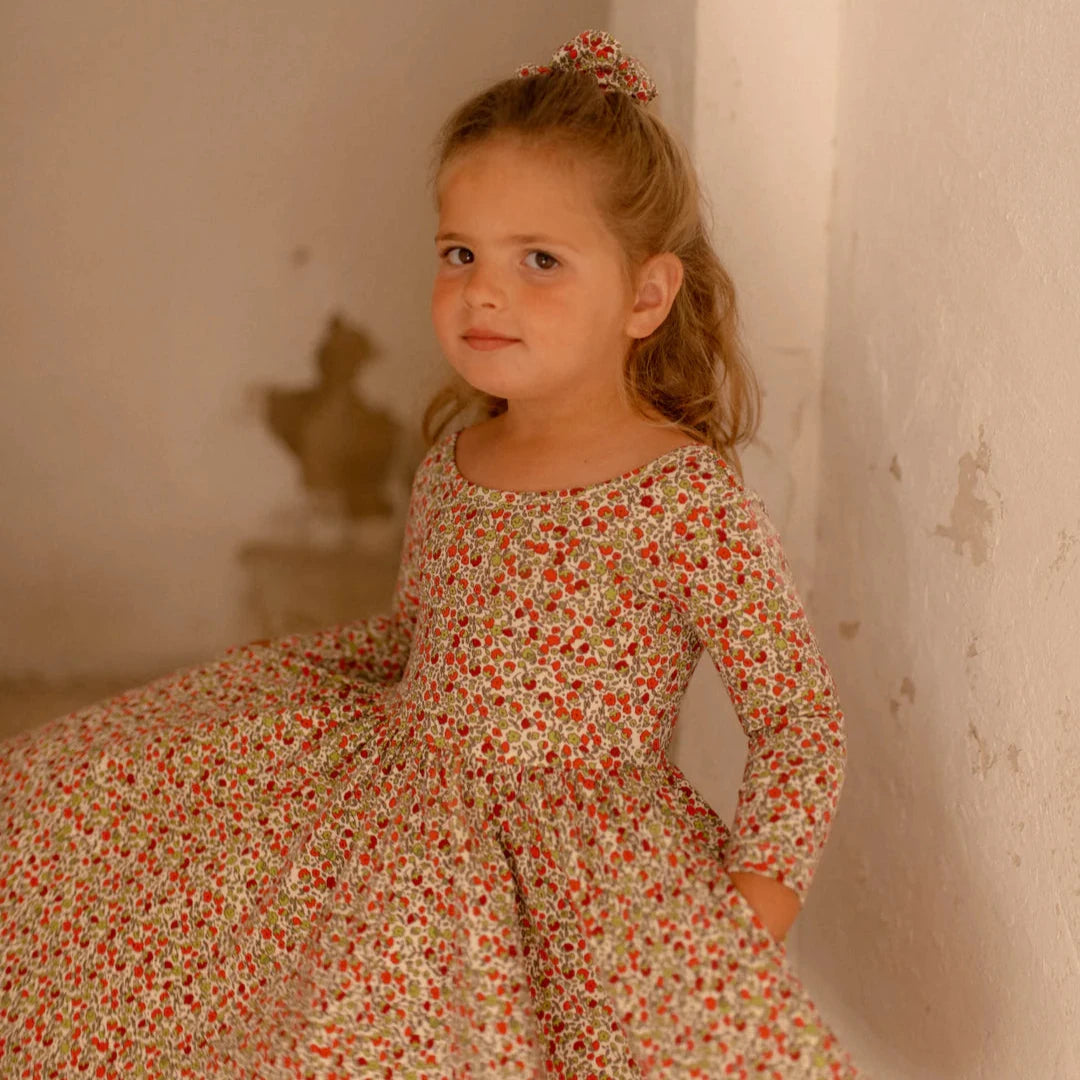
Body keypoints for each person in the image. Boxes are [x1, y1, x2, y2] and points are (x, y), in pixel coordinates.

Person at [0, 29, 856, 1079]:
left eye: (540, 260)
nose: (484, 292)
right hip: (410, 840)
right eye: (461, 255)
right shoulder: (459, 458)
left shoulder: (679, 494)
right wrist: (264, 709)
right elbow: (417, 640)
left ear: (646, 295)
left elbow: (796, 720)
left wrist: (747, 918)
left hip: (581, 874)